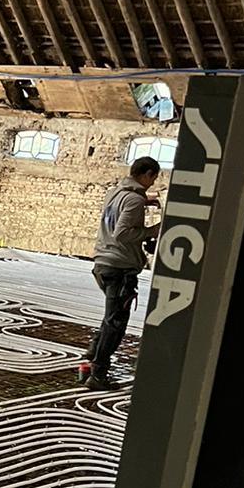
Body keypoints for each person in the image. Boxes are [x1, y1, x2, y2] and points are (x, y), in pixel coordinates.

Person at [79, 156, 161, 387]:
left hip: (103, 263)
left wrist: (145, 200)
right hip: (119, 267)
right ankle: (98, 374)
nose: (153, 183)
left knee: (111, 316)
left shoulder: (114, 193)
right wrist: (152, 231)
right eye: (153, 178)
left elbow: (122, 209)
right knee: (116, 324)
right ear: (147, 174)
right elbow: (122, 233)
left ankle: (91, 356)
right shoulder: (134, 200)